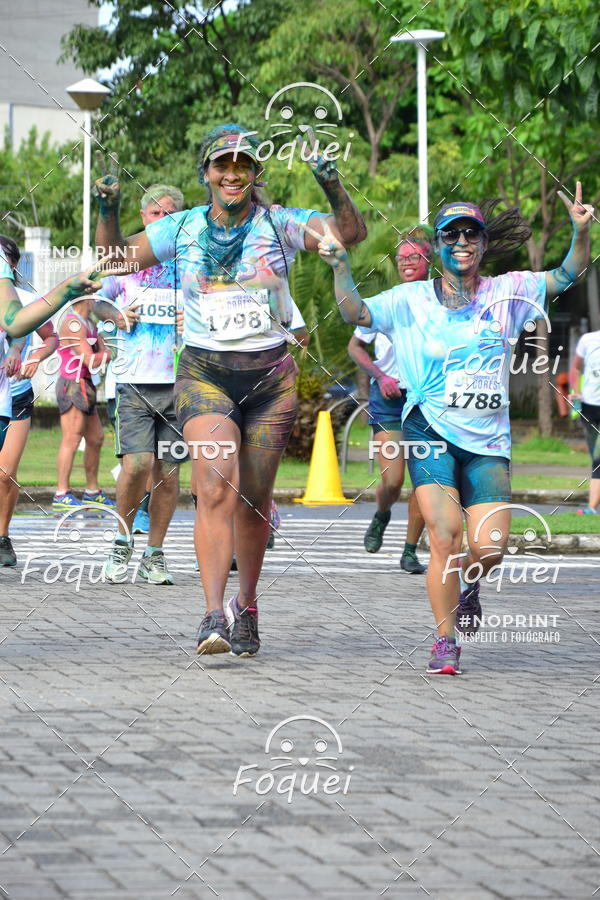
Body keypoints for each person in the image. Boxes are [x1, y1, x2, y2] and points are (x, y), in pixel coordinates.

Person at [94, 124, 366, 655]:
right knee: (215, 486)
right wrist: (109, 211)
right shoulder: (182, 227)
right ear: (207, 174)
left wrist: (331, 184)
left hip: (269, 381)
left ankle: (247, 605)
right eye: (222, 165)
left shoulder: (282, 223)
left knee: (255, 499)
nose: (232, 173)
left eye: (242, 164)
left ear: (256, 172)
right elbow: (114, 261)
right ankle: (212, 614)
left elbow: (347, 234)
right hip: (206, 376)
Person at [316, 184, 593, 674]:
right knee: (443, 534)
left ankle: (468, 583)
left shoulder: (509, 291)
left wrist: (580, 230)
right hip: (429, 430)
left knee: (489, 549)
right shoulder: (409, 300)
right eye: (451, 235)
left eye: (471, 234)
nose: (461, 241)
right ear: (439, 246)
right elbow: (354, 313)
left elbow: (569, 272)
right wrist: (341, 268)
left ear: (483, 244)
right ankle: (445, 641)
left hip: (489, 442)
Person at [94, 182, 186, 584]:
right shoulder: (127, 262)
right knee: (137, 466)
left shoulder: (191, 263)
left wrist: (196, 320)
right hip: (133, 381)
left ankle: (155, 552)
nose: (162, 220)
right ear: (143, 218)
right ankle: (122, 538)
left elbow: (217, 305)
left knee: (168, 472)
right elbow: (93, 302)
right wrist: (115, 315)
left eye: (170, 215)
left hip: (181, 383)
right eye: (155, 213)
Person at [348, 229, 430, 573]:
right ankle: (382, 513)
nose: (407, 264)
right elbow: (355, 347)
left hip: (427, 399)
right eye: (402, 259)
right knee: (393, 480)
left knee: (426, 482)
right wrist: (380, 377)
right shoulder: (386, 301)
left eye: (414, 257)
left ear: (429, 260)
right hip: (389, 399)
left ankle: (410, 550)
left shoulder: (441, 301)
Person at [0, 235, 58, 566]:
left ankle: (3, 536)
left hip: (16, 396)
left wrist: (35, 356)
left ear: (12, 263)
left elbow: (51, 337)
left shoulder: (26, 299)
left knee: (5, 473)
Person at [53, 295, 113, 513]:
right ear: (86, 299)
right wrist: (110, 353)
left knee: (96, 438)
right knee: (71, 439)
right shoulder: (74, 323)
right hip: (72, 383)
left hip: (85, 383)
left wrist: (106, 350)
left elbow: (102, 351)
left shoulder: (91, 323)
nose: (99, 301)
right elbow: (90, 359)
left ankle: (92, 491)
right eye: (95, 297)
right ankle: (62, 493)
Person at [570, 327, 600, 514]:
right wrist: (575, 391)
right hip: (589, 405)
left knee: (598, 458)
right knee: (594, 457)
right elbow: (575, 367)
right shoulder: (588, 340)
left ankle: (591, 507)